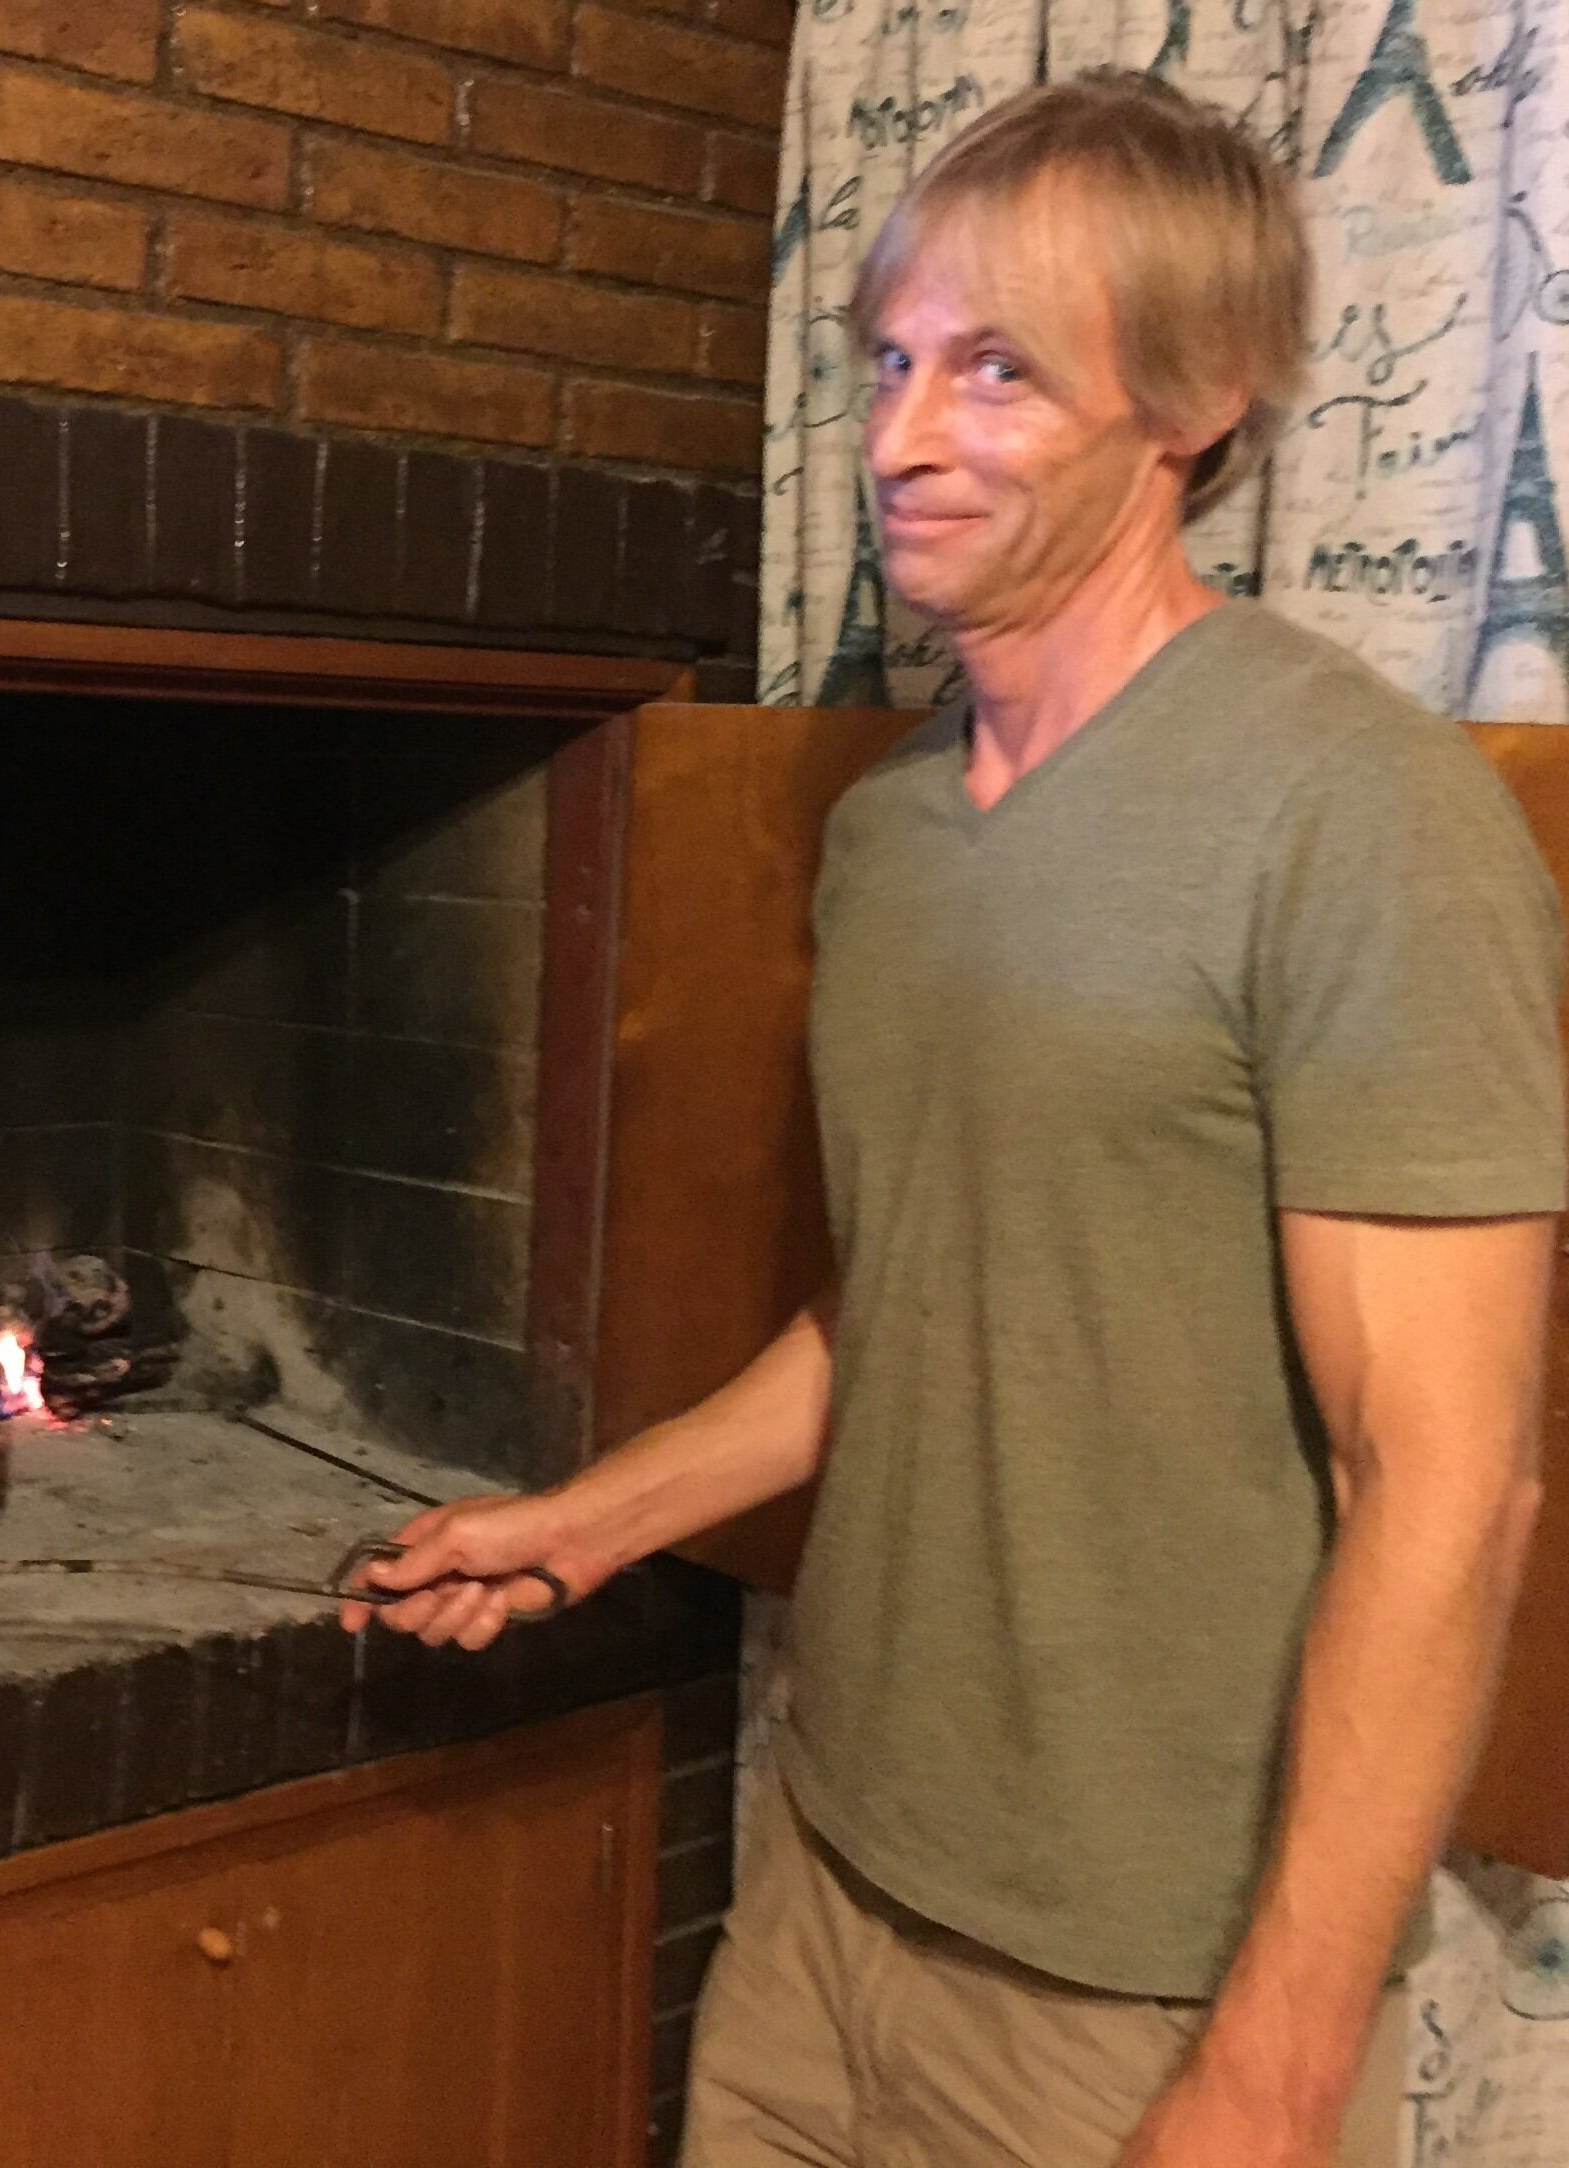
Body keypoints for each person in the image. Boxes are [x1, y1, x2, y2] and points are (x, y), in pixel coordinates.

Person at [344, 69, 1563, 2168]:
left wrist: (1268, 2078)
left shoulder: (1360, 818)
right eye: (893, 362)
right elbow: (915, 1306)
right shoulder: (892, 833)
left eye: (997, 371)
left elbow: (1448, 1491)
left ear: (1188, 402)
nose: (903, 440)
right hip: (831, 1887)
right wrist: (600, 1516)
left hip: (1150, 1993)